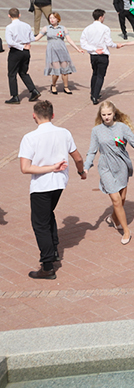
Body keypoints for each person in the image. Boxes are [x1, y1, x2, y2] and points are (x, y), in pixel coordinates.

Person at [18, 100, 86, 279]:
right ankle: (54, 249)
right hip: (60, 183)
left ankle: (47, 265)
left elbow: (25, 168)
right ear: (53, 115)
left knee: (39, 224)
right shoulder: (64, 133)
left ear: (34, 116)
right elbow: (78, 158)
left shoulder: (30, 138)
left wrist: (50, 167)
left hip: (42, 186)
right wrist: (81, 172)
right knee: (48, 214)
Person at [84, 101, 134, 245]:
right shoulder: (96, 131)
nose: (106, 117)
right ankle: (126, 231)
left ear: (114, 114)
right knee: (116, 200)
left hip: (121, 166)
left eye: (109, 114)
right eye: (103, 115)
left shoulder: (122, 128)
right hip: (105, 167)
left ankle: (113, 217)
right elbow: (92, 151)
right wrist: (87, 166)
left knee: (122, 197)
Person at [35, 12, 83, 95]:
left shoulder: (63, 28)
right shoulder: (46, 28)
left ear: (58, 19)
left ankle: (66, 87)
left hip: (62, 50)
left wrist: (77, 49)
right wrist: (25, 39)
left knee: (65, 70)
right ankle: (53, 85)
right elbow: (36, 38)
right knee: (56, 71)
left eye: (53, 18)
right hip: (52, 51)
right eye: (50, 18)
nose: (52, 20)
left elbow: (69, 39)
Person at [80, 9, 119, 105]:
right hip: (102, 54)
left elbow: (83, 43)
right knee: (101, 75)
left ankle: (93, 91)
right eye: (103, 17)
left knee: (95, 73)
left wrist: (93, 49)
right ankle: (95, 95)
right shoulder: (105, 28)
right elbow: (108, 42)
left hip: (93, 55)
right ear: (101, 17)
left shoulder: (87, 28)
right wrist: (116, 45)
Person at [5, 7, 41, 105]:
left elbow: (10, 42)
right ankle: (33, 90)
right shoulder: (26, 25)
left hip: (16, 51)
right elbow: (31, 38)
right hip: (26, 51)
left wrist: (20, 46)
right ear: (19, 15)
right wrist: (27, 44)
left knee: (12, 74)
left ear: (9, 16)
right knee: (23, 72)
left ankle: (15, 96)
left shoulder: (9, 27)